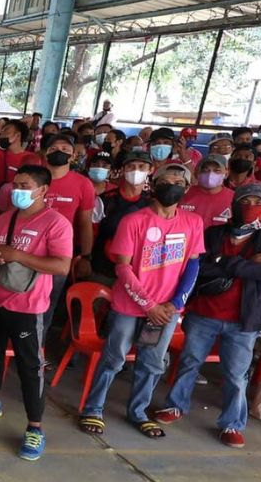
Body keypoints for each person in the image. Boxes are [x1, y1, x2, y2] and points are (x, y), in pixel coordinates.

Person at [150, 185, 261, 447]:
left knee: (236, 374)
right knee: (190, 362)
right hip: (204, 312)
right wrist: (245, 264)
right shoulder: (214, 233)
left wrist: (221, 262)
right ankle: (175, 405)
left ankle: (232, 424)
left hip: (243, 319)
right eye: (245, 200)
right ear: (234, 203)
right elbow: (199, 267)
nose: (251, 205)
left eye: (258, 201)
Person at [77, 162, 206, 439]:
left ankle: (138, 412)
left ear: (186, 189)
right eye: (166, 180)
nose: (172, 186)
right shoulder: (134, 221)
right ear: (154, 184)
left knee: (152, 362)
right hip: (130, 305)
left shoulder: (193, 223)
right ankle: (93, 408)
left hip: (167, 309)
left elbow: (193, 265)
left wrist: (175, 303)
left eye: (179, 183)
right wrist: (149, 305)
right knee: (113, 358)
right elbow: (122, 268)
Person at [0, 164, 73, 461]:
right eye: (15, 185)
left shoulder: (56, 223)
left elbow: (61, 265)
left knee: (29, 366)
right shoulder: (4, 219)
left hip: (28, 307)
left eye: (25, 185)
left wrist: (18, 255)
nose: (17, 191)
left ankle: (35, 427)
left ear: (43, 190)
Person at [178, 154, 236, 228]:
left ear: (226, 173)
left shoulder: (234, 198)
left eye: (217, 170)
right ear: (196, 173)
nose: (210, 174)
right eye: (205, 170)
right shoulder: (182, 193)